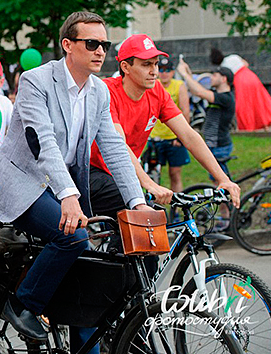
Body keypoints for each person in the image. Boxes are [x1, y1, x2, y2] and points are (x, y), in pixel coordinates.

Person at [0, 12, 148, 354]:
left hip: (58, 186)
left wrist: (137, 201)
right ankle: (22, 303)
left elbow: (114, 149)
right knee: (73, 237)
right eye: (91, 43)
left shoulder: (99, 93)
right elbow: (42, 143)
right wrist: (69, 196)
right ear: (67, 45)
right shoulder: (35, 81)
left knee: (88, 269)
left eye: (104, 45)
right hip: (22, 182)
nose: (100, 51)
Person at [88, 35, 240, 225]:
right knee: (144, 219)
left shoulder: (157, 92)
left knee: (148, 234)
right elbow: (118, 145)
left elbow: (189, 135)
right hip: (92, 171)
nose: (154, 72)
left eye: (155, 64)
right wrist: (148, 184)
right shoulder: (107, 91)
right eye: (146, 65)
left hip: (123, 174)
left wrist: (222, 179)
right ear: (125, 67)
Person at [177, 60, 236, 177]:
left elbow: (199, 92)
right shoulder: (215, 93)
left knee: (221, 180)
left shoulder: (226, 98)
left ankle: (232, 195)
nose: (211, 78)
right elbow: (195, 90)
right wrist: (188, 73)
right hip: (213, 143)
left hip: (219, 145)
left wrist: (184, 74)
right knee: (219, 179)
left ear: (224, 79)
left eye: (214, 75)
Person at [148, 55, 190, 194]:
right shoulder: (152, 84)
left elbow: (185, 111)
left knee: (175, 174)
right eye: (162, 70)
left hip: (173, 137)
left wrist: (181, 137)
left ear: (173, 72)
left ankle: (176, 210)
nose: (164, 73)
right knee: (152, 176)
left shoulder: (179, 85)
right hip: (155, 137)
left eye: (168, 70)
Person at [210, 48, 271, 131]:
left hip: (240, 82)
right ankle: (265, 125)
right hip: (250, 76)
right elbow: (246, 64)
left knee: (245, 105)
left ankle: (248, 127)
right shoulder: (233, 57)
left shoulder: (223, 67)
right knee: (258, 101)